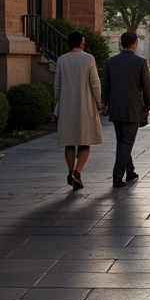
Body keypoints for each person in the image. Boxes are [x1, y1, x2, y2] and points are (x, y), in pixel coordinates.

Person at [101, 31, 150, 188]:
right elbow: (147, 87)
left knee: (122, 140)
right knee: (126, 141)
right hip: (133, 108)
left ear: (121, 43)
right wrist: (148, 104)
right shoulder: (140, 62)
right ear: (134, 43)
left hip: (116, 107)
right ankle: (118, 175)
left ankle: (129, 171)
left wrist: (105, 103)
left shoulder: (111, 62)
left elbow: (106, 85)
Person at [53, 30, 103, 191]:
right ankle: (78, 170)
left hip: (67, 105)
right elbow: (95, 83)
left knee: (69, 142)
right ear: (82, 42)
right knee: (85, 141)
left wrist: (57, 101)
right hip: (85, 104)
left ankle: (70, 170)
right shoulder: (88, 58)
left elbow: (57, 85)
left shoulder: (61, 59)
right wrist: (100, 102)